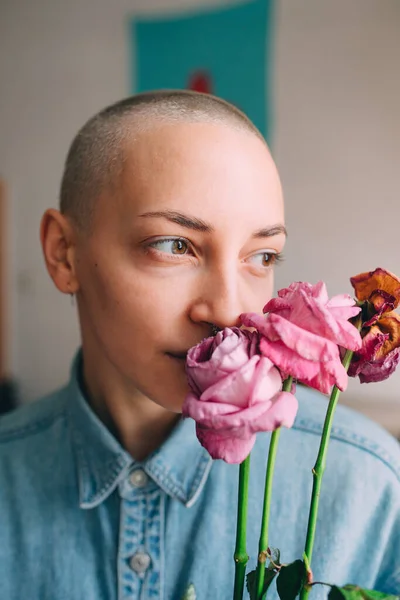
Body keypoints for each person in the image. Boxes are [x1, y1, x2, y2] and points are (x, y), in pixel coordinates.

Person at [0, 91, 399, 600]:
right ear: (64, 254)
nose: (231, 311)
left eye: (262, 255)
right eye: (174, 245)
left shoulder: (372, 488)